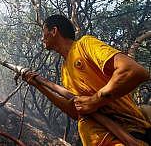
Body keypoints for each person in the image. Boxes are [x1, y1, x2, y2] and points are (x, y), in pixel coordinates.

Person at [22, 14, 150, 146]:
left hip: (127, 137)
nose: (42, 38)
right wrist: (38, 85)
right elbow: (76, 111)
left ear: (54, 31)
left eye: (43, 32)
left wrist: (94, 101)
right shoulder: (65, 71)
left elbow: (133, 71)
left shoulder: (84, 45)